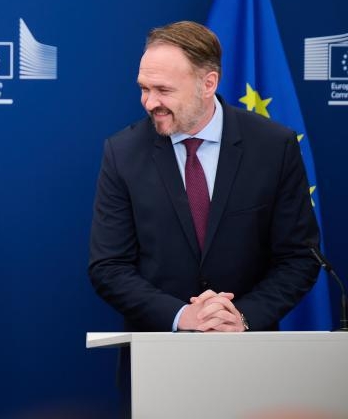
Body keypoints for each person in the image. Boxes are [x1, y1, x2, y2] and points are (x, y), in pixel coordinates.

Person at [89, 21, 320, 333]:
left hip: (250, 357)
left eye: (164, 90)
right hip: (158, 356)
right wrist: (181, 315)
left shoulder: (273, 146)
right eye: (144, 88)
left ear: (208, 83)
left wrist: (242, 316)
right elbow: (109, 266)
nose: (150, 102)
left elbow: (299, 258)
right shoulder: (123, 152)